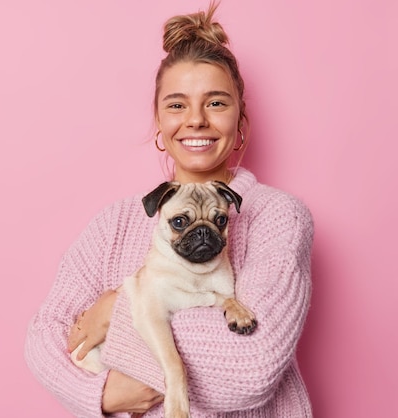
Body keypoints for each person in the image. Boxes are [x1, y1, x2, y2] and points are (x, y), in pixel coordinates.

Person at [24, 2, 314, 416]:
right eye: (177, 105)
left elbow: (252, 366)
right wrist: (104, 396)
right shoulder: (115, 224)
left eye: (216, 103)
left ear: (241, 120)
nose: (195, 120)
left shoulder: (277, 216)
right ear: (159, 121)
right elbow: (44, 337)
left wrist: (117, 314)